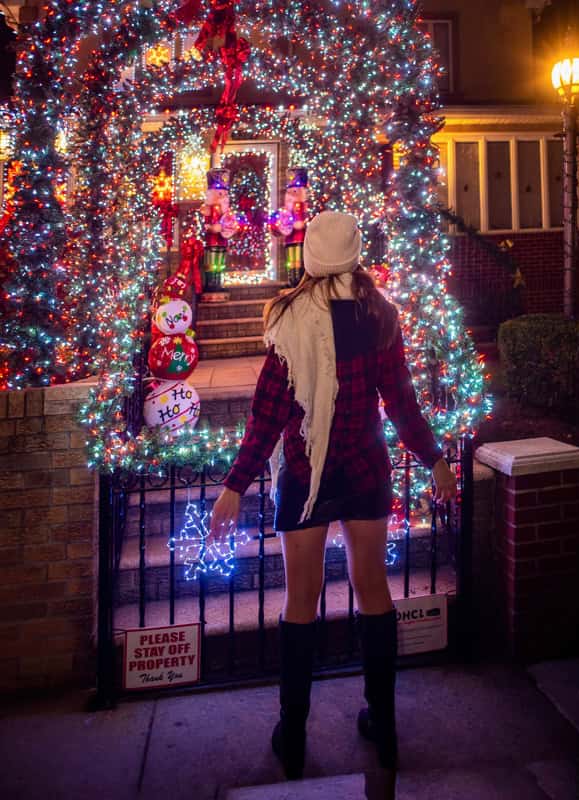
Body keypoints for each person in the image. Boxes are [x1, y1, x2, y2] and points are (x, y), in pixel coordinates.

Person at [210, 211, 457, 779]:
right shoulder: (380, 315)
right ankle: (385, 728)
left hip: (305, 476)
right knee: (374, 591)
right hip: (366, 469)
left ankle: (292, 735)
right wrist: (436, 459)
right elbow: (400, 402)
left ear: (311, 258)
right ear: (354, 254)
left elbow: (267, 418)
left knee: (302, 599)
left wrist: (234, 485)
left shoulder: (290, 319)